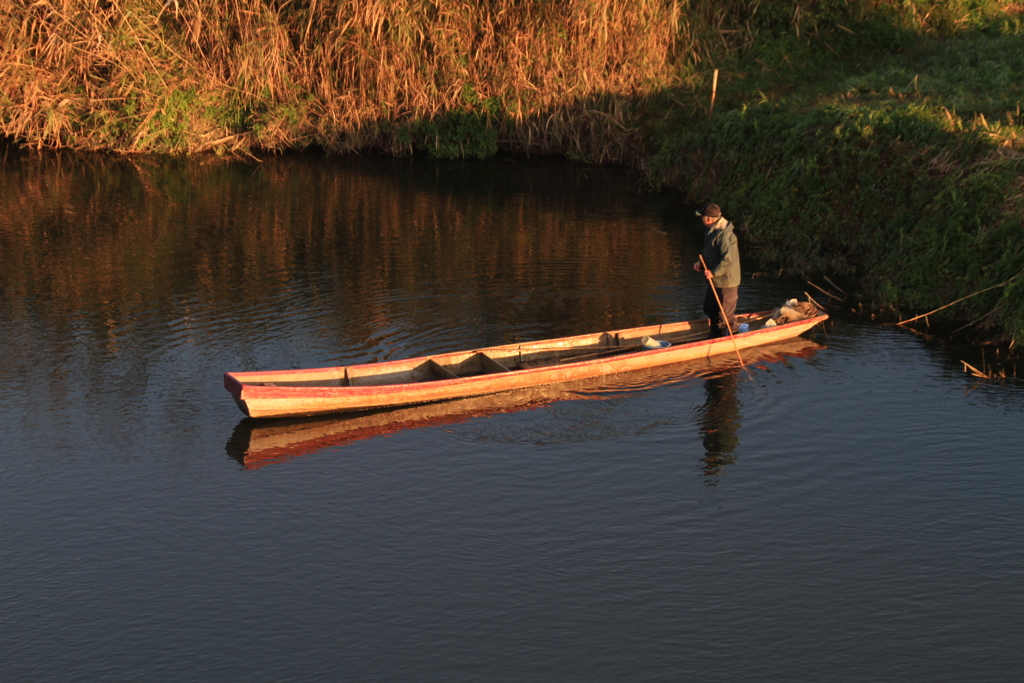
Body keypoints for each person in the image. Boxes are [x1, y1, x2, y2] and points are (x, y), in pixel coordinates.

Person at [693, 202, 741, 338]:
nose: (701, 218)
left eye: (702, 216)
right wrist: (701, 263)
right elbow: (711, 252)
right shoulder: (710, 231)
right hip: (715, 280)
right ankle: (716, 335)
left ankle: (733, 337)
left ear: (708, 219)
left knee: (727, 315)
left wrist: (714, 272)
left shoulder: (725, 235)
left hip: (727, 281)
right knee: (710, 308)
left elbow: (728, 260)